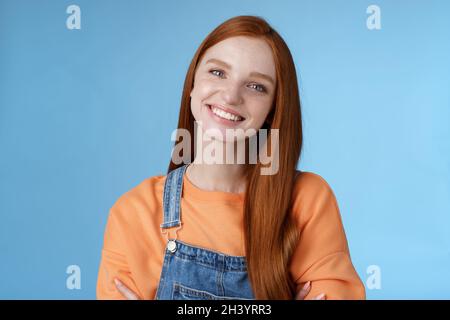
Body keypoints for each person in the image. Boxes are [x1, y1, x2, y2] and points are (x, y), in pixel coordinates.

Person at [96, 15, 366, 300]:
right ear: (193, 84)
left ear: (273, 111)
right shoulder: (133, 214)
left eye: (256, 86)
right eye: (218, 73)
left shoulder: (306, 200)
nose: (230, 96)